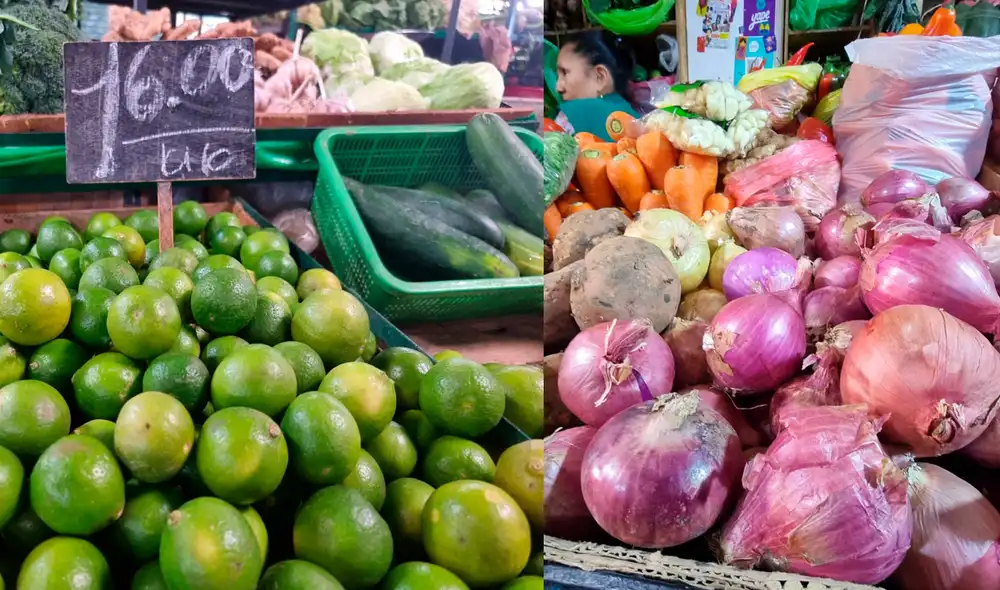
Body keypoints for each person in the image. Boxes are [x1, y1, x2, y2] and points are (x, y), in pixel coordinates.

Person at [554, 31, 639, 140]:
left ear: (600, 77)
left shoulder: (571, 114)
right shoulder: (637, 120)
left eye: (565, 73)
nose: (558, 88)